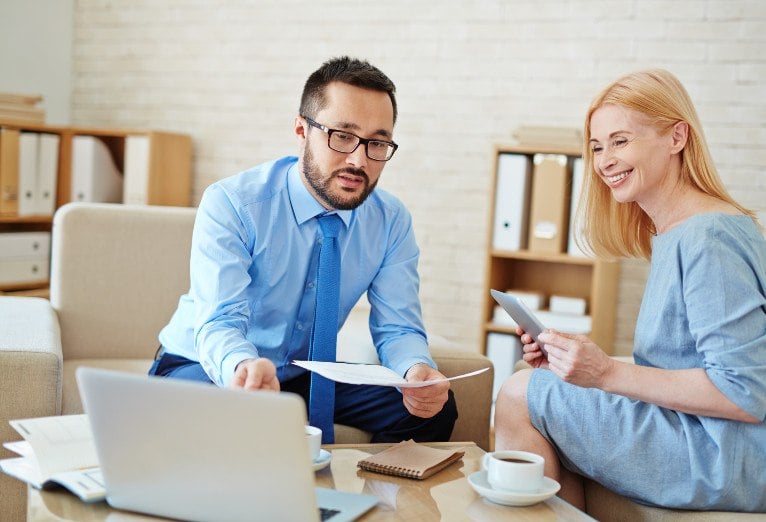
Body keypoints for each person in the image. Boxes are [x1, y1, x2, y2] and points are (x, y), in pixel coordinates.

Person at [494, 69, 766, 512]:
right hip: (697, 431)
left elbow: (742, 391)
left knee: (518, 394)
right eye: (598, 147)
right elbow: (681, 362)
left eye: (620, 141)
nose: (604, 161)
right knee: (541, 384)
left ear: (677, 137)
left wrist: (604, 374)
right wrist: (579, 366)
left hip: (719, 452)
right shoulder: (678, 232)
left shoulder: (709, 238)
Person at [150, 56, 457, 444]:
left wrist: (415, 369)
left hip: (304, 372)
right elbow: (220, 322)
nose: (358, 160)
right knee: (238, 415)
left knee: (435, 409)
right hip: (208, 366)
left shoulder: (390, 220)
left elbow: (398, 326)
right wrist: (242, 368)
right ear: (301, 130)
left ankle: (371, 504)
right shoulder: (232, 203)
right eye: (342, 136)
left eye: (377, 143)